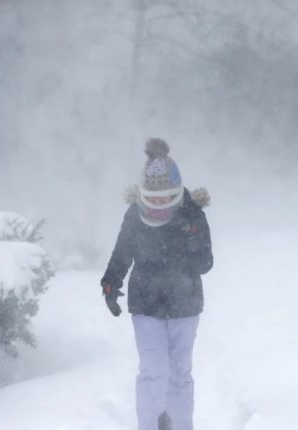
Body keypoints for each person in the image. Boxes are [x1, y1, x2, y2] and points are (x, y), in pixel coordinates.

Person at [101, 137, 213, 430]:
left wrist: (189, 239)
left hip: (185, 303)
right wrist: (110, 284)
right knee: (152, 372)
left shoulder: (192, 214)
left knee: (179, 372)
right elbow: (122, 252)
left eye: (166, 198)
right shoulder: (134, 215)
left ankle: (181, 425)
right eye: (154, 198)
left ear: (176, 193)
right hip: (146, 303)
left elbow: (205, 263)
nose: (160, 203)